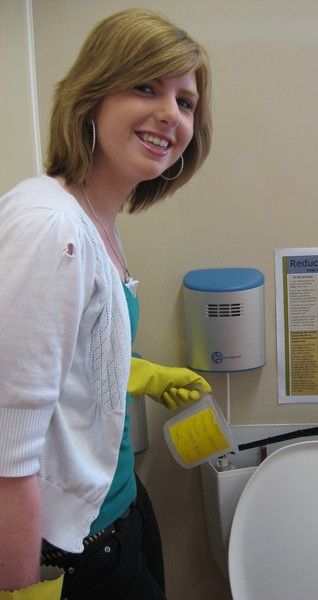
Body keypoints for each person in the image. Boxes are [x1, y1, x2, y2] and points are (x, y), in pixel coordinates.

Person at [0, 8, 212, 599]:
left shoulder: (93, 220)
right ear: (92, 94)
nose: (170, 113)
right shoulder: (53, 228)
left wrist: (138, 373)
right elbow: (6, 452)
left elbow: (61, 357)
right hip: (73, 553)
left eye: (186, 101)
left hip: (119, 507)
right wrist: (17, 591)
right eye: (146, 85)